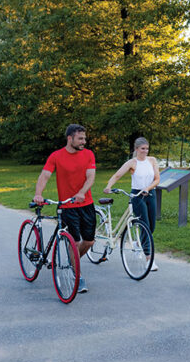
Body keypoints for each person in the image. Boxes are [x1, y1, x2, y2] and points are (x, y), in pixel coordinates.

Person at [33, 124, 96, 293]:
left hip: (86, 203)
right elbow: (45, 175)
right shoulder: (56, 156)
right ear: (70, 138)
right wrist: (38, 194)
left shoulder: (89, 154)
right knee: (74, 242)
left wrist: (82, 192)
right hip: (67, 206)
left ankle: (70, 261)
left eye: (84, 138)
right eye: (80, 138)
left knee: (89, 240)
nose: (84, 141)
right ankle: (77, 276)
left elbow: (91, 177)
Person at [103, 137, 160, 271]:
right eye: (142, 149)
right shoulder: (132, 163)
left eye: (147, 148)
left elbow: (157, 179)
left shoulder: (152, 160)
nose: (145, 151)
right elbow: (117, 175)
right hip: (137, 195)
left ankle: (137, 242)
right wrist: (108, 186)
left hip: (150, 193)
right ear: (136, 149)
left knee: (151, 227)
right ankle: (149, 259)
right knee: (145, 225)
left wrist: (148, 188)